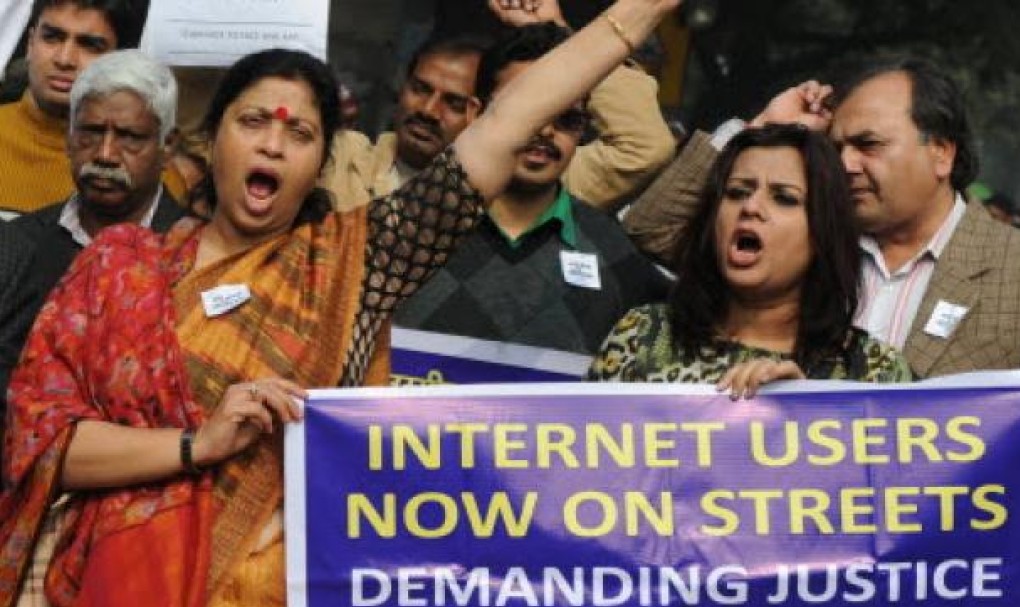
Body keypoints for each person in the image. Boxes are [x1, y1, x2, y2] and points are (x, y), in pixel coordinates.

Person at [0, 1, 680, 607]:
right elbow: (44, 442)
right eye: (254, 120)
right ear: (212, 142)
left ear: (323, 160)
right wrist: (194, 446)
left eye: (299, 133)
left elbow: (503, 126)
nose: (272, 143)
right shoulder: (120, 267)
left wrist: (634, 15)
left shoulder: (357, 265)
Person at [623, 57, 1020, 378]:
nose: (845, 163)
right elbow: (655, 229)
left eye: (868, 145)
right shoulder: (805, 232)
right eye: (837, 146)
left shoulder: (1011, 269)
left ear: (942, 154)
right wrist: (763, 130)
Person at [395, 22, 669, 354]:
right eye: (527, 114)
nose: (546, 131)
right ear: (475, 113)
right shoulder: (404, 230)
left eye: (566, 118)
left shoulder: (616, 256)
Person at [590, 124, 912, 396]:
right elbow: (581, 463)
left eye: (784, 198)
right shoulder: (643, 334)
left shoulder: (873, 371)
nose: (751, 207)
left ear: (822, 233)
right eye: (737, 192)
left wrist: (805, 411)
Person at [326, 0, 675, 214]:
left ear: (483, 112)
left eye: (454, 102)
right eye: (420, 89)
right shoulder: (345, 159)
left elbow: (644, 146)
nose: (429, 111)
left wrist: (556, 32)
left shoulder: (527, 184)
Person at [0, 49, 183, 436]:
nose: (105, 154)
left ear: (168, 147)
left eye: (130, 138)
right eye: (91, 132)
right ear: (69, 136)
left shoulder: (193, 250)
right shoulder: (14, 246)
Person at [0, 0, 165, 219]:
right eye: (52, 38)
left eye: (90, 45)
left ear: (122, 60)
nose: (65, 59)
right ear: (30, 43)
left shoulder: (151, 170)